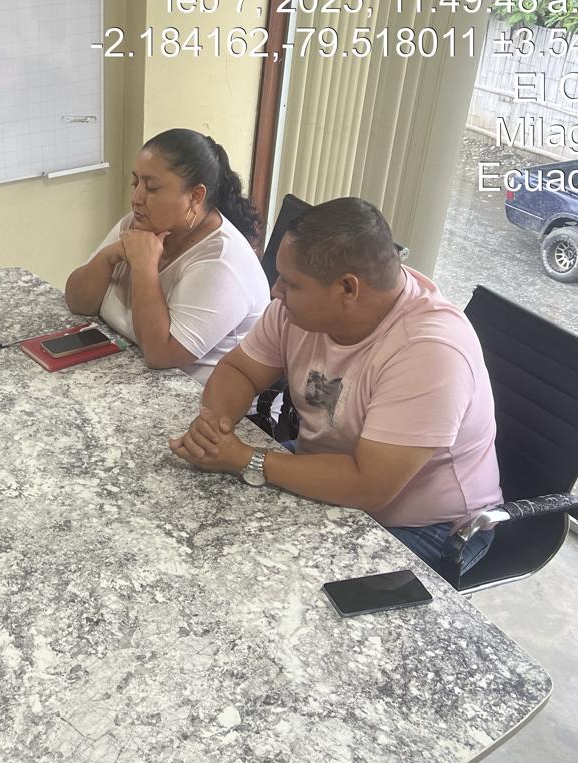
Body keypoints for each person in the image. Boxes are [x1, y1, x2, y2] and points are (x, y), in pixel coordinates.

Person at [169, 197, 502, 576]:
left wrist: (249, 459)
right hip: (325, 468)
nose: (275, 291)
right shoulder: (294, 310)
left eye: (290, 283)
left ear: (347, 288)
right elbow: (239, 370)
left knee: (279, 581)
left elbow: (369, 486)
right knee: (203, 527)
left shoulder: (430, 352)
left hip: (426, 527)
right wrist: (215, 428)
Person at [63, 128, 269, 382]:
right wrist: (110, 255)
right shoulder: (140, 224)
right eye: (135, 183)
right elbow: (78, 302)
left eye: (152, 188)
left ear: (196, 196)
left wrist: (144, 267)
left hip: (193, 397)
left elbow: (160, 355)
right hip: (125, 374)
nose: (136, 198)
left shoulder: (222, 263)